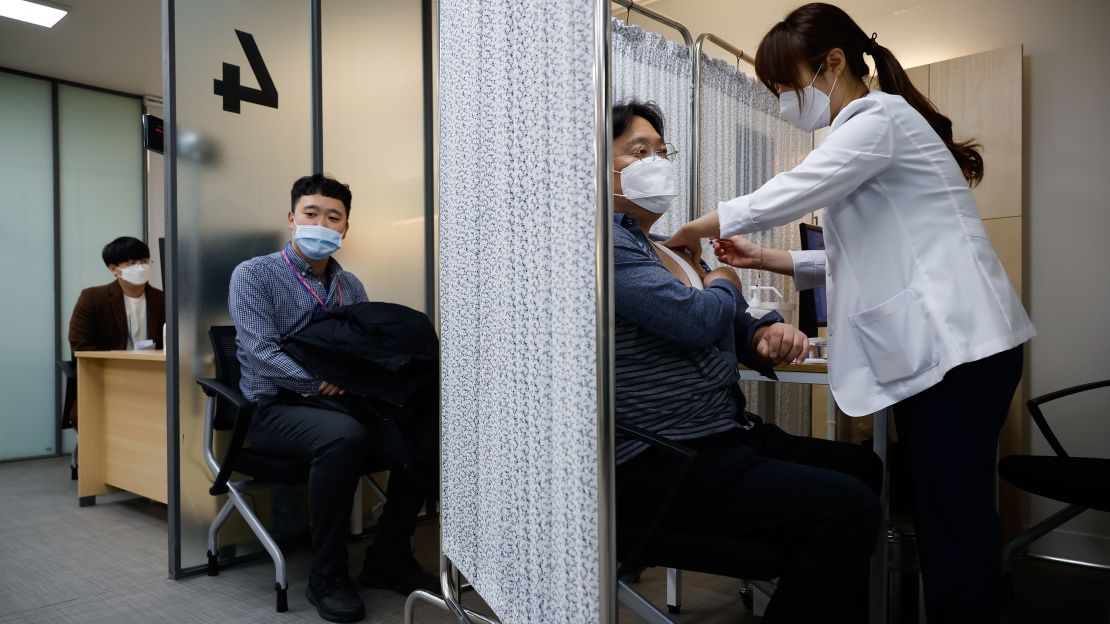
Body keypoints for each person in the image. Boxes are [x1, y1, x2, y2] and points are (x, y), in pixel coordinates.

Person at [665, 4, 1035, 621]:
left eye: (787, 86)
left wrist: (699, 226)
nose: (785, 101)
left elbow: (793, 188)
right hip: (957, 353)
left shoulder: (879, 118)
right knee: (949, 513)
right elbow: (860, 256)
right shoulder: (874, 130)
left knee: (955, 521)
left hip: (961, 351)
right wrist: (769, 259)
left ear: (833, 63)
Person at [611, 99, 881, 624]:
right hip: (665, 458)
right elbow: (698, 319)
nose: (657, 163)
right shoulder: (603, 248)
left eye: (662, 152)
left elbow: (725, 321)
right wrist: (726, 282)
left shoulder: (667, 250)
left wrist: (763, 331)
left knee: (863, 468)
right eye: (638, 151)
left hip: (721, 437)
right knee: (846, 507)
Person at [229, 174, 437, 623]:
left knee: (423, 429)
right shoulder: (254, 275)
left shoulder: (350, 286)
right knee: (344, 437)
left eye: (333, 217)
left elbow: (366, 351)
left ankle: (388, 555)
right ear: (291, 219)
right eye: (311, 213)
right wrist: (316, 381)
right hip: (275, 407)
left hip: (341, 404)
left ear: (345, 229)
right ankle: (326, 576)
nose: (321, 224)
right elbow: (259, 352)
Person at [68, 236, 165, 426]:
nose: (140, 267)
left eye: (144, 262)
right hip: (109, 381)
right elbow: (81, 346)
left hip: (154, 379)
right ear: (114, 269)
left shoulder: (163, 299)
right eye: (132, 263)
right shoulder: (92, 298)